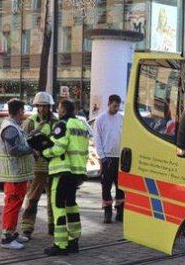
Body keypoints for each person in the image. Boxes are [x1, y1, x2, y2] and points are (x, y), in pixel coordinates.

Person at [41, 98, 89, 256]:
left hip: (62, 171)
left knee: (59, 207)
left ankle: (60, 244)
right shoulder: (81, 125)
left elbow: (59, 147)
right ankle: (73, 241)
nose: (57, 110)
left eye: (58, 108)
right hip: (76, 172)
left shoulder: (62, 124)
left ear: (63, 110)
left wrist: (44, 152)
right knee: (71, 206)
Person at [0, 99, 35, 250]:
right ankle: (7, 237)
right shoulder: (10, 128)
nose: (24, 113)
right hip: (13, 174)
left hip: (17, 175)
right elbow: (13, 150)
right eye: (23, 110)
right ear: (20, 111)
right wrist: (31, 149)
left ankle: (11, 232)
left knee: (15, 204)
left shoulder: (14, 126)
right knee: (12, 204)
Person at [20, 91, 58, 239]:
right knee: (32, 198)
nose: (42, 109)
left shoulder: (56, 122)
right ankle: (27, 228)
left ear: (49, 106)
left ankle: (53, 226)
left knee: (53, 199)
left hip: (53, 166)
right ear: (36, 106)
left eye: (45, 106)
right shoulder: (30, 122)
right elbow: (23, 142)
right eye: (40, 106)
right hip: (37, 167)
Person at [94, 94, 124, 223]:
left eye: (118, 106)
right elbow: (97, 139)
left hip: (120, 157)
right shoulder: (100, 119)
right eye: (114, 106)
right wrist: (102, 156)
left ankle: (120, 210)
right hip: (108, 157)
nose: (116, 108)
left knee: (121, 186)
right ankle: (107, 211)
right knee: (106, 186)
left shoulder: (122, 119)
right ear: (109, 104)